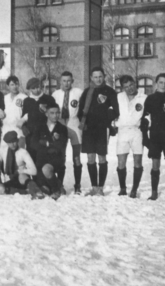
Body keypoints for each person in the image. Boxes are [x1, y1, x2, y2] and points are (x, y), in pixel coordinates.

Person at [77, 66, 119, 196]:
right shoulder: (87, 92)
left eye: (100, 76)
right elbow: (80, 111)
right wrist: (84, 122)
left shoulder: (110, 91)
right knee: (90, 158)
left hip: (102, 129)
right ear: (91, 78)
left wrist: (106, 119)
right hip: (89, 129)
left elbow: (115, 111)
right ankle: (94, 187)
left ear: (104, 76)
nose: (98, 79)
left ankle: (100, 188)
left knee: (101, 157)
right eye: (95, 77)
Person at [143, 73, 165, 201]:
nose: (163, 85)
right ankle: (154, 192)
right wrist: (145, 136)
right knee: (155, 164)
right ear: (156, 83)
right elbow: (145, 118)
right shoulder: (150, 98)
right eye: (161, 82)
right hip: (155, 135)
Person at [51, 71, 84, 194]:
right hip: (60, 125)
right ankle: (59, 184)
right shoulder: (55, 94)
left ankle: (78, 185)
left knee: (76, 158)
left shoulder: (78, 93)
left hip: (74, 125)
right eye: (64, 81)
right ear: (60, 81)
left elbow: (84, 109)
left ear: (72, 81)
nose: (66, 83)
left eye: (68, 80)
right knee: (60, 157)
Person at [114, 75, 147, 198]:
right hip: (122, 131)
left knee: (137, 161)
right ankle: (123, 188)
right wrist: (113, 122)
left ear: (135, 83)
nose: (129, 88)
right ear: (122, 88)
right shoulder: (118, 97)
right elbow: (112, 112)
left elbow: (148, 115)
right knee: (121, 162)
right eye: (126, 87)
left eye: (131, 85)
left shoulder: (143, 97)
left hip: (137, 131)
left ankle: (134, 189)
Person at [31, 104, 68, 200]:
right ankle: (58, 184)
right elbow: (33, 144)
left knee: (46, 169)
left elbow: (61, 145)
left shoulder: (62, 128)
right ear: (46, 114)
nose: (55, 115)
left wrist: (44, 143)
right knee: (44, 189)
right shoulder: (40, 127)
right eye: (52, 113)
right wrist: (50, 143)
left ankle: (56, 190)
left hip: (56, 160)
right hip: (41, 159)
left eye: (57, 113)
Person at [0, 130, 42, 198]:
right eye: (10, 143)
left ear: (17, 141)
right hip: (9, 179)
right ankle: (25, 192)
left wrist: (22, 171)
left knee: (22, 175)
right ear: (7, 143)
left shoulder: (23, 152)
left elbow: (34, 171)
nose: (13, 144)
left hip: (22, 180)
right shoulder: (3, 151)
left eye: (14, 141)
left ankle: (37, 191)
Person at [21, 77, 56, 162]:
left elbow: (54, 115)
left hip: (45, 133)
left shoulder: (48, 99)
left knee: (45, 157)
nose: (37, 90)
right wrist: (23, 127)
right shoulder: (27, 101)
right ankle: (35, 175)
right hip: (31, 134)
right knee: (32, 157)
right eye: (33, 88)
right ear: (30, 89)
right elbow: (24, 117)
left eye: (38, 87)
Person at [1, 75, 27, 148]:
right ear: (8, 86)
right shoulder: (4, 98)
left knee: (19, 153)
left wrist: (23, 120)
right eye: (12, 84)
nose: (15, 86)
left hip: (18, 130)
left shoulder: (24, 97)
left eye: (16, 84)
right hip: (6, 128)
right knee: (5, 153)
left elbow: (28, 113)